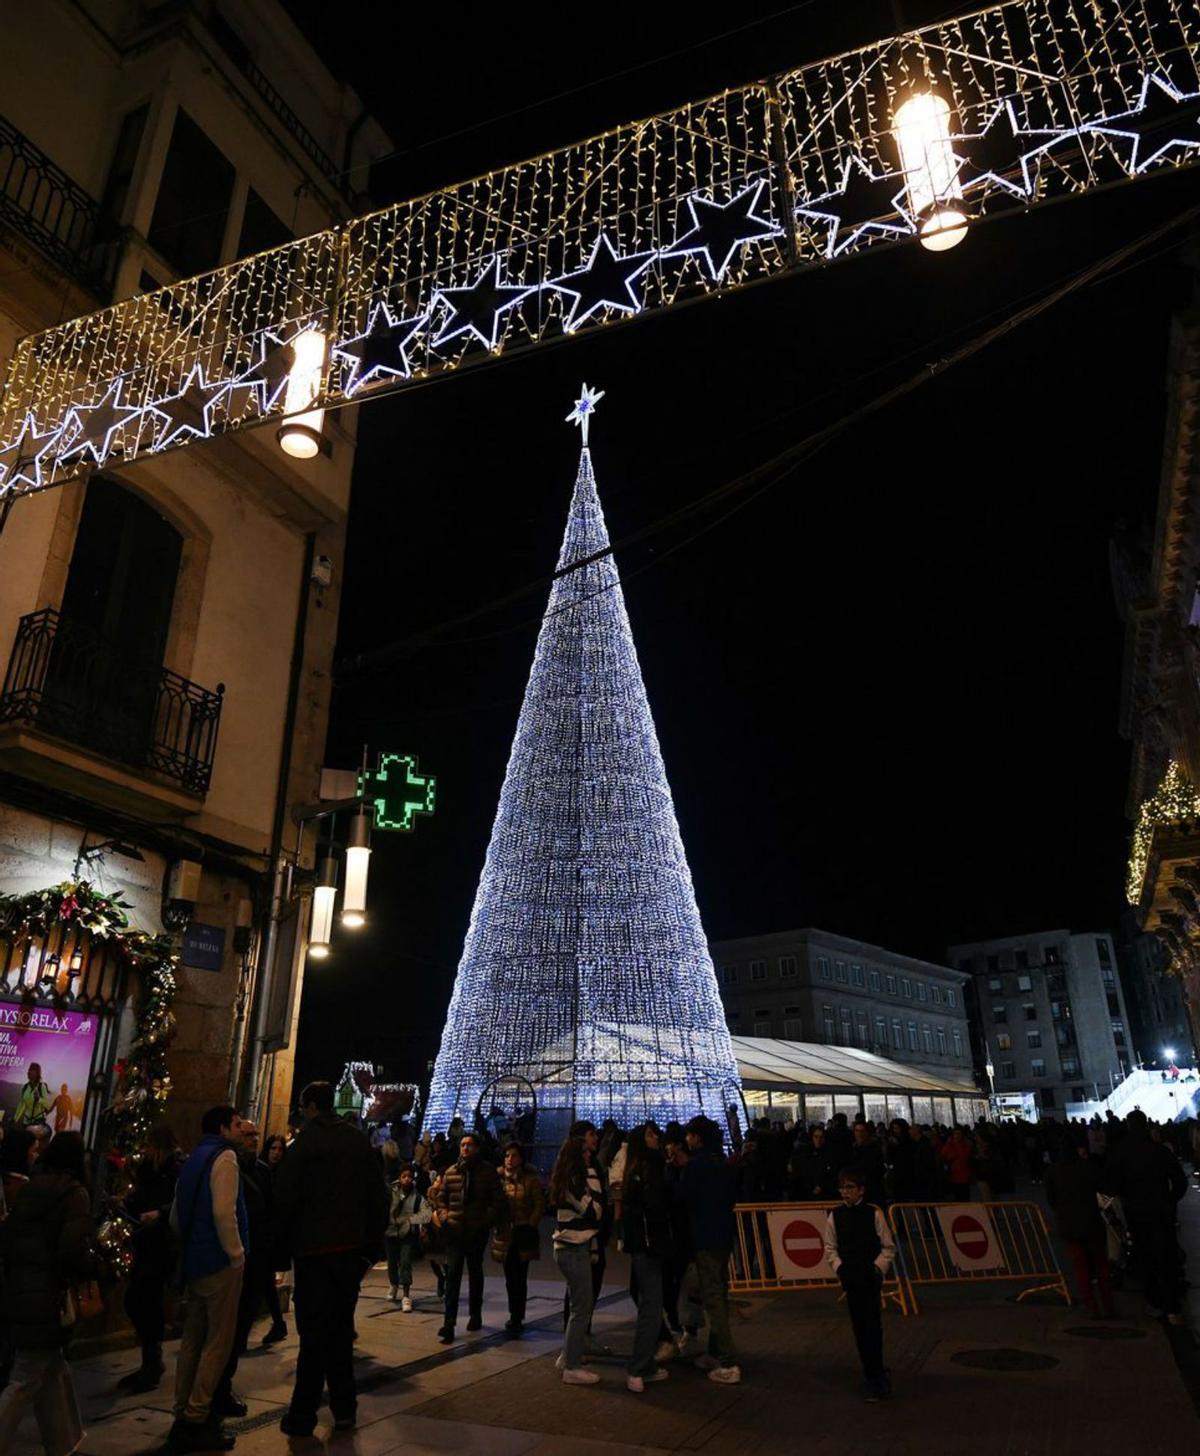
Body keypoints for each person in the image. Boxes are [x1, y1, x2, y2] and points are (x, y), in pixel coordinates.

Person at [274, 1080, 389, 1437]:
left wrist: (283, 1250)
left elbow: (284, 1200)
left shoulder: (304, 1144)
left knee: (313, 1335)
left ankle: (303, 1414)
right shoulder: (357, 1141)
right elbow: (379, 1198)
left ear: (309, 1107)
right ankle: (344, 1409)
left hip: (313, 1255)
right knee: (339, 1330)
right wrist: (368, 1250)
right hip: (349, 1255)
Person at [0, 1132, 96, 1455]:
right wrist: (90, 1267)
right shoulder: (75, 1194)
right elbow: (71, 1249)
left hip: (22, 1287)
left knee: (53, 1371)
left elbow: (11, 1236)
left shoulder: (32, 1188)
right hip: (47, 1295)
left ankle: (64, 1443)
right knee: (25, 1378)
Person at [168, 1104, 247, 1453]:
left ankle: (181, 1409)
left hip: (195, 1262)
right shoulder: (225, 1158)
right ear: (222, 1128)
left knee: (192, 1340)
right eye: (235, 1124)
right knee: (218, 1342)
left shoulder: (193, 1159)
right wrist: (236, 1253)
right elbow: (223, 1211)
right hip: (218, 1263)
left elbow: (176, 1213)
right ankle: (197, 1415)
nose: (240, 1129)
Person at [1104, 1108, 1188, 1322]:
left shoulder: (1121, 1153)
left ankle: (1155, 1302)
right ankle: (1173, 1306)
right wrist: (1170, 1200)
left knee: (1147, 1259)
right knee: (1166, 1257)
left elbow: (1111, 1184)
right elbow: (1180, 1181)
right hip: (1161, 1212)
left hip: (1137, 1213)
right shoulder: (1160, 1151)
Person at [118, 1123, 181, 1394]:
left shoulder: (176, 1169)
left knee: (145, 1298)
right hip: (146, 1241)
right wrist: (128, 1203)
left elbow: (181, 1202)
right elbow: (141, 1197)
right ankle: (150, 1358)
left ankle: (151, 1362)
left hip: (162, 1245)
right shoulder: (148, 1169)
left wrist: (160, 1213)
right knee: (138, 1299)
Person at [823, 1166, 895, 1400]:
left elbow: (887, 1245)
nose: (845, 1192)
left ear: (861, 1190)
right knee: (859, 1326)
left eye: (850, 1187)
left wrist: (877, 1269)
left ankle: (876, 1372)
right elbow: (830, 1247)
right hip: (851, 1276)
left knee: (872, 1325)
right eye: (843, 1187)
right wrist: (840, 1268)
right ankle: (871, 1371)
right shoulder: (835, 1215)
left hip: (868, 1275)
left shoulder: (873, 1213)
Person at [680, 1114, 741, 1384]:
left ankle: (728, 1361)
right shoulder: (722, 1163)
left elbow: (685, 1199)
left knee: (713, 1297)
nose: (687, 1139)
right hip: (724, 1235)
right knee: (719, 1292)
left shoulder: (696, 1166)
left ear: (698, 1137)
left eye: (690, 1135)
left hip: (704, 1236)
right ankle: (715, 1352)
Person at [431, 1131, 507, 1343]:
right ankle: (449, 1322)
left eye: (469, 1145)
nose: (465, 1148)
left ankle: (475, 1313)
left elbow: (497, 1202)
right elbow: (441, 1199)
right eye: (463, 1145)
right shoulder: (452, 1172)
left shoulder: (487, 1172)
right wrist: (446, 1219)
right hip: (454, 1231)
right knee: (453, 1274)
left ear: (477, 1148)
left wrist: (484, 1221)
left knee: (475, 1272)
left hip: (476, 1231)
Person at [622, 1124, 672, 1393]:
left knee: (650, 1303)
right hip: (649, 1246)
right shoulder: (649, 1169)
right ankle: (638, 1367)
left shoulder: (636, 1168)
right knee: (651, 1307)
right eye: (651, 1135)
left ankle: (647, 1366)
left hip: (643, 1245)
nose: (656, 1138)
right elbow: (653, 1210)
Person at [550, 1135, 603, 1385]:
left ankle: (567, 1355)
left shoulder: (565, 1179)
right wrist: (593, 1179)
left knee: (577, 1306)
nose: (588, 1155)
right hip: (573, 1248)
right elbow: (594, 1212)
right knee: (582, 1308)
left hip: (567, 1247)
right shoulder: (575, 1181)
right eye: (583, 1152)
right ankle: (572, 1366)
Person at [1045, 1138, 1115, 1318]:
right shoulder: (1089, 1168)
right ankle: (1109, 1305)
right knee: (1101, 1267)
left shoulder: (1054, 1171)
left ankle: (1091, 1306)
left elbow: (1051, 1199)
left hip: (1069, 1225)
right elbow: (1104, 1187)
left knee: (1081, 1268)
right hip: (1092, 1222)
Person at [492, 1143, 544, 1335]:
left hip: (522, 1233)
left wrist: (531, 1223)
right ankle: (514, 1313)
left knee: (519, 1277)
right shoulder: (497, 1180)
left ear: (521, 1159)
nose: (509, 1159)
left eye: (514, 1155)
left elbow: (539, 1203)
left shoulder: (530, 1180)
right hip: (505, 1233)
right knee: (509, 1277)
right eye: (506, 1155)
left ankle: (517, 1316)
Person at [257, 1135, 288, 1345]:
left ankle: (278, 1323)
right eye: (273, 1149)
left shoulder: (283, 1175)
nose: (276, 1153)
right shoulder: (259, 1171)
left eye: (280, 1149)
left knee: (263, 1280)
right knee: (263, 1281)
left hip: (271, 1237)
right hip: (261, 1235)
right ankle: (278, 1322)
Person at [386, 1164, 430, 1310]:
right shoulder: (390, 1192)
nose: (407, 1179)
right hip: (390, 1232)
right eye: (404, 1176)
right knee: (392, 1262)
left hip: (407, 1234)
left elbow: (426, 1214)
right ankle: (393, 1284)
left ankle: (406, 1296)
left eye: (410, 1176)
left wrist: (412, 1220)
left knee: (405, 1262)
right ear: (399, 1177)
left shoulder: (417, 1196)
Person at [12, 1063, 51, 1128]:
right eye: (29, 1070)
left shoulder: (41, 1086)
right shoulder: (25, 1087)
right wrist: (15, 1119)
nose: (29, 1072)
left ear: (37, 1073)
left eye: (32, 1070)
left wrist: (39, 1099)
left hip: (38, 1121)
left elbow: (47, 1104)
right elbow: (22, 1104)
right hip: (26, 1122)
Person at [939, 1125, 973, 1200]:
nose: (957, 1136)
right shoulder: (952, 1144)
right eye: (955, 1134)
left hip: (962, 1175)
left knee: (964, 1197)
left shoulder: (964, 1145)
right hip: (955, 1175)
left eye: (958, 1134)